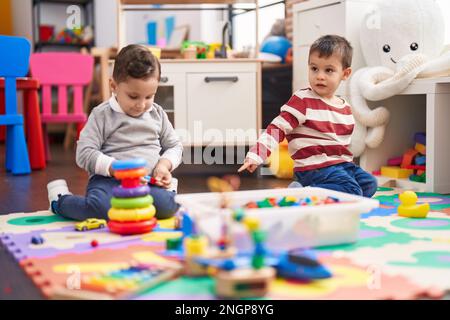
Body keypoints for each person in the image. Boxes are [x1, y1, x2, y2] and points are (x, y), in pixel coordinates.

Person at [47, 44, 183, 221]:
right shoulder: (101, 114)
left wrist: (164, 165)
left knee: (168, 208)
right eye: (133, 96)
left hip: (146, 180)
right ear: (113, 85)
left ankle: (168, 191)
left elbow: (174, 145)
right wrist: (113, 168)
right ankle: (59, 200)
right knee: (99, 210)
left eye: (149, 96)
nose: (141, 105)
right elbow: (84, 153)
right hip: (108, 181)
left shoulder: (157, 114)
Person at [239, 35, 377, 198]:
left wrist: (346, 168)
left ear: (345, 74)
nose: (320, 76)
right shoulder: (303, 100)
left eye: (329, 70)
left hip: (342, 165)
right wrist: (256, 155)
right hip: (313, 167)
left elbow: (342, 147)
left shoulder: (345, 107)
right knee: (352, 190)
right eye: (314, 68)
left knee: (370, 184)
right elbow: (276, 128)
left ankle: (311, 192)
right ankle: (305, 193)